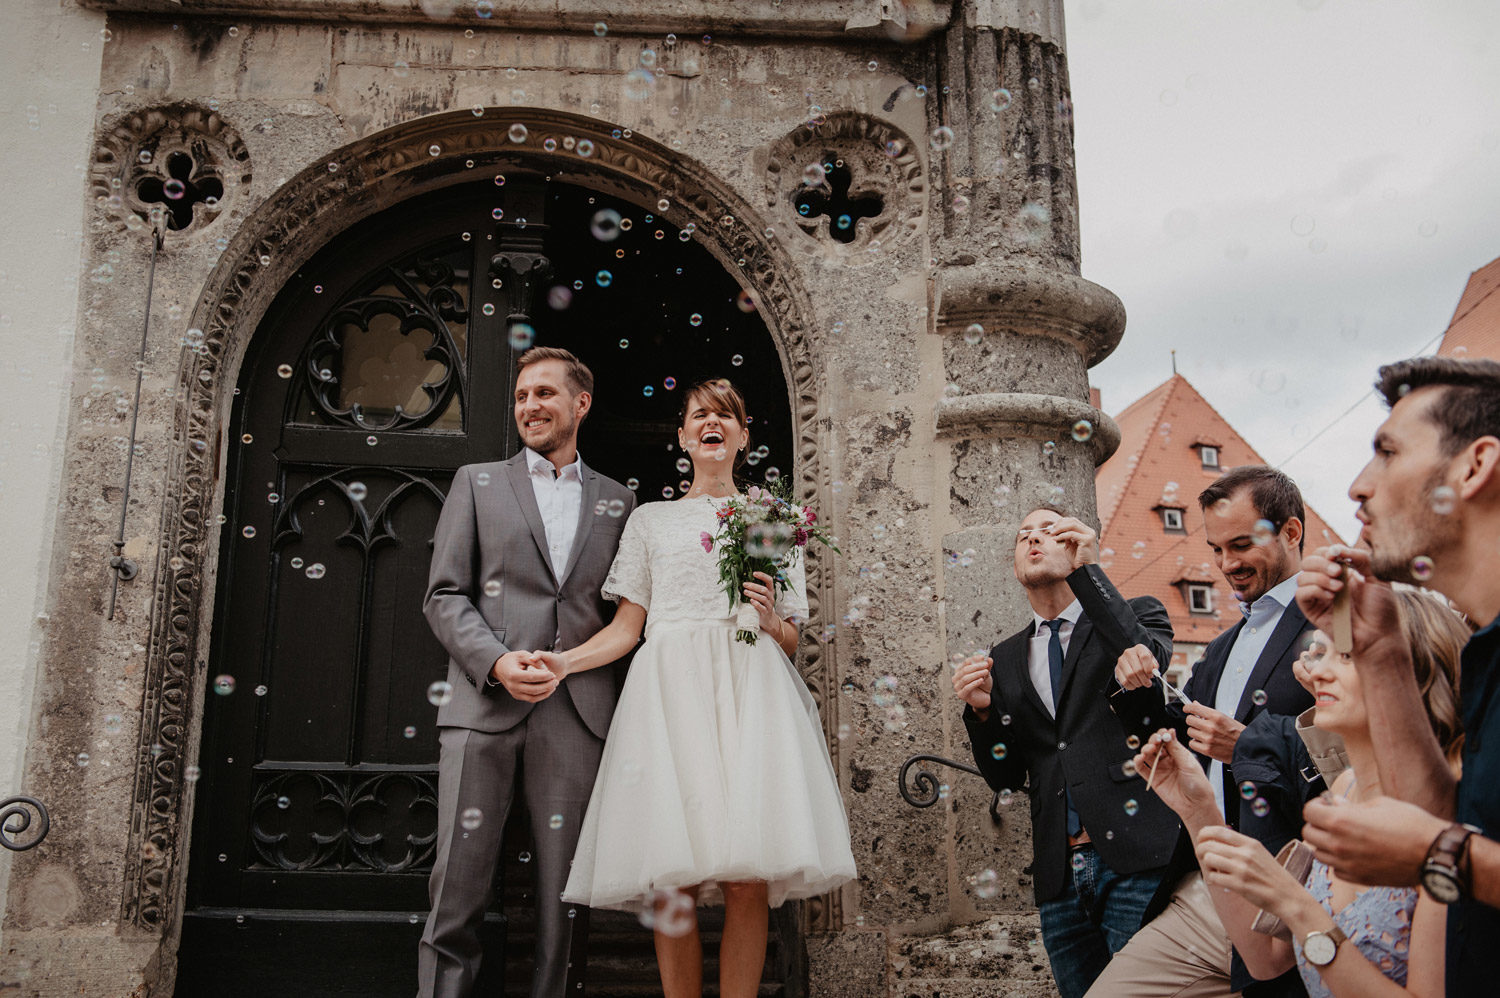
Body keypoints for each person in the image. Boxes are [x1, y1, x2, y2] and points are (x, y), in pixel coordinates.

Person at [533, 378, 855, 998]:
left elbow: (788, 637)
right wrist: (564, 663)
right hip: (669, 695)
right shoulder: (651, 521)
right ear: (682, 437)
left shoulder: (768, 518)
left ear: (742, 436)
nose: (713, 423)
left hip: (747, 691)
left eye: (726, 416)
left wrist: (768, 622)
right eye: (699, 415)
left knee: (748, 876)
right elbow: (629, 627)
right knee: (670, 878)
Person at [418, 347, 637, 998]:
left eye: (544, 393)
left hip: (577, 715)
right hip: (481, 709)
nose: (530, 406)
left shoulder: (621, 503)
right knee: (456, 885)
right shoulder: (477, 484)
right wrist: (496, 661)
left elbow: (624, 614)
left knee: (564, 899)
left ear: (581, 404)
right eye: (521, 397)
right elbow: (445, 594)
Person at [1129, 587, 1467, 996]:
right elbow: (1265, 959)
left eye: (1345, 656)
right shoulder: (1341, 791)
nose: (1317, 671)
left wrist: (1296, 903)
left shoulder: (1450, 816)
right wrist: (1198, 810)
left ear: (1412, 671)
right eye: (1320, 653)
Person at [1295, 357, 1500, 995]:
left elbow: (1443, 847)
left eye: (1386, 452)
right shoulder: (1488, 653)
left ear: (1476, 465)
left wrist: (1448, 856)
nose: (1358, 486)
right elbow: (1437, 821)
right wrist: (1378, 644)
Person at [1095, 465, 1316, 997]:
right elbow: (1184, 734)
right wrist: (1138, 689)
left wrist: (1246, 743)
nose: (1226, 564)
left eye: (1241, 544)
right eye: (1217, 549)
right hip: (1203, 889)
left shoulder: (1332, 626)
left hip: (1291, 887)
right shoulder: (1221, 646)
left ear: (1290, 532)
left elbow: (1352, 750)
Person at [952, 505, 1179, 998]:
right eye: (1022, 535)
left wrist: (1089, 573)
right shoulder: (1005, 655)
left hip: (1137, 860)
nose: (1033, 539)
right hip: (1060, 877)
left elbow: (1149, 660)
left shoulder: (1136, 614)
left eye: (1049, 532)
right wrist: (983, 713)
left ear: (1075, 544)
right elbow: (1006, 774)